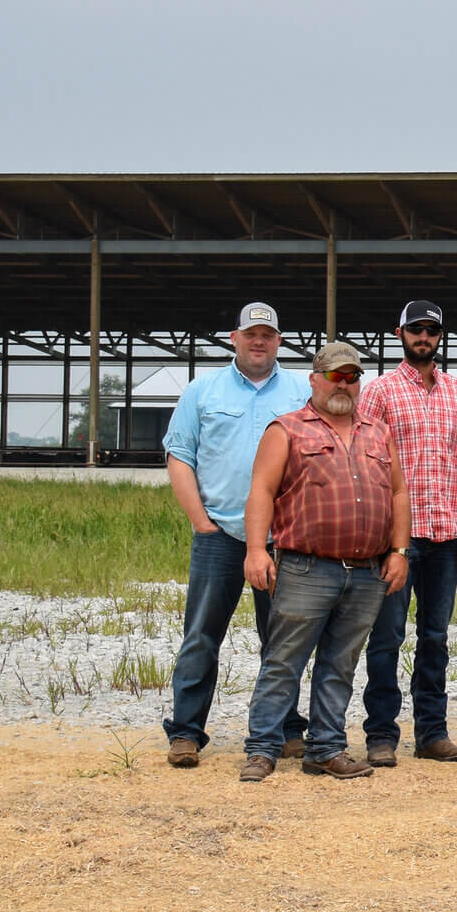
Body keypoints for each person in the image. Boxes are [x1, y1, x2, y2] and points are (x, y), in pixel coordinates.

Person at [239, 342, 410, 782]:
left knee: (341, 662)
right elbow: (261, 490)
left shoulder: (379, 432)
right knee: (284, 660)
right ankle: (261, 748)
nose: (344, 384)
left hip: (368, 570)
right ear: (314, 379)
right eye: (335, 376)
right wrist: (256, 550)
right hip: (306, 568)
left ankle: (326, 748)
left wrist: (398, 551)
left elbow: (397, 493)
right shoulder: (287, 429)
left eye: (352, 377)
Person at [161, 301, 308, 767]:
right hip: (220, 534)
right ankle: (185, 732)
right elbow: (180, 456)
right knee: (202, 635)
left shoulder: (303, 391)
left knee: (282, 638)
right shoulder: (202, 391)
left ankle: (285, 728)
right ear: (234, 338)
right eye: (250, 334)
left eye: (267, 334)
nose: (258, 341)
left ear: (279, 340)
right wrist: (201, 523)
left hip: (283, 537)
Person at [356, 300, 457, 767]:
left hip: (446, 534)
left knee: (435, 636)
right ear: (400, 334)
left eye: (430, 331)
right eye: (415, 330)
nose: (423, 337)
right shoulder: (380, 391)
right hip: (396, 538)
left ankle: (432, 733)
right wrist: (384, 537)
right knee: (386, 635)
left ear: (440, 336)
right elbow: (366, 460)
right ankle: (381, 735)